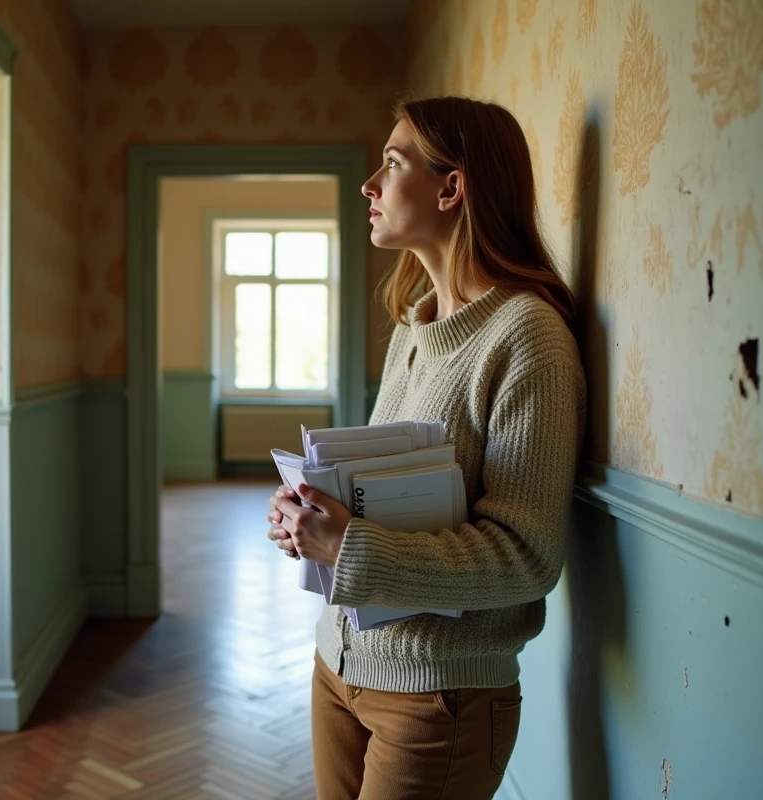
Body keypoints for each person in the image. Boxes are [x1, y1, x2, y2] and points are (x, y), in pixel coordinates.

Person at [265, 96, 588, 799]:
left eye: (391, 162)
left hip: (438, 698)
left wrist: (346, 548)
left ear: (451, 187)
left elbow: (525, 557)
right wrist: (307, 517)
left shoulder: (526, 339)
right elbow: (378, 496)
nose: (369, 186)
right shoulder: (413, 331)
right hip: (337, 669)